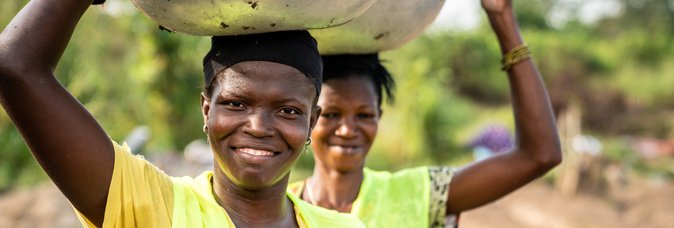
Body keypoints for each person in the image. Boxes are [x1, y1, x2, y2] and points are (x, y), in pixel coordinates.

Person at [0, 0, 364, 227]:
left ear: (312, 122)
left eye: (287, 110)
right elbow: (16, 67)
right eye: (236, 104)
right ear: (206, 109)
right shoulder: (152, 207)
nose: (258, 127)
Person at [288, 0, 562, 227]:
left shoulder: (422, 194)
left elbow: (540, 154)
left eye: (364, 115)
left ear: (379, 116)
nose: (347, 129)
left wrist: (502, 18)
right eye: (332, 115)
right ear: (311, 117)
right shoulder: (279, 206)